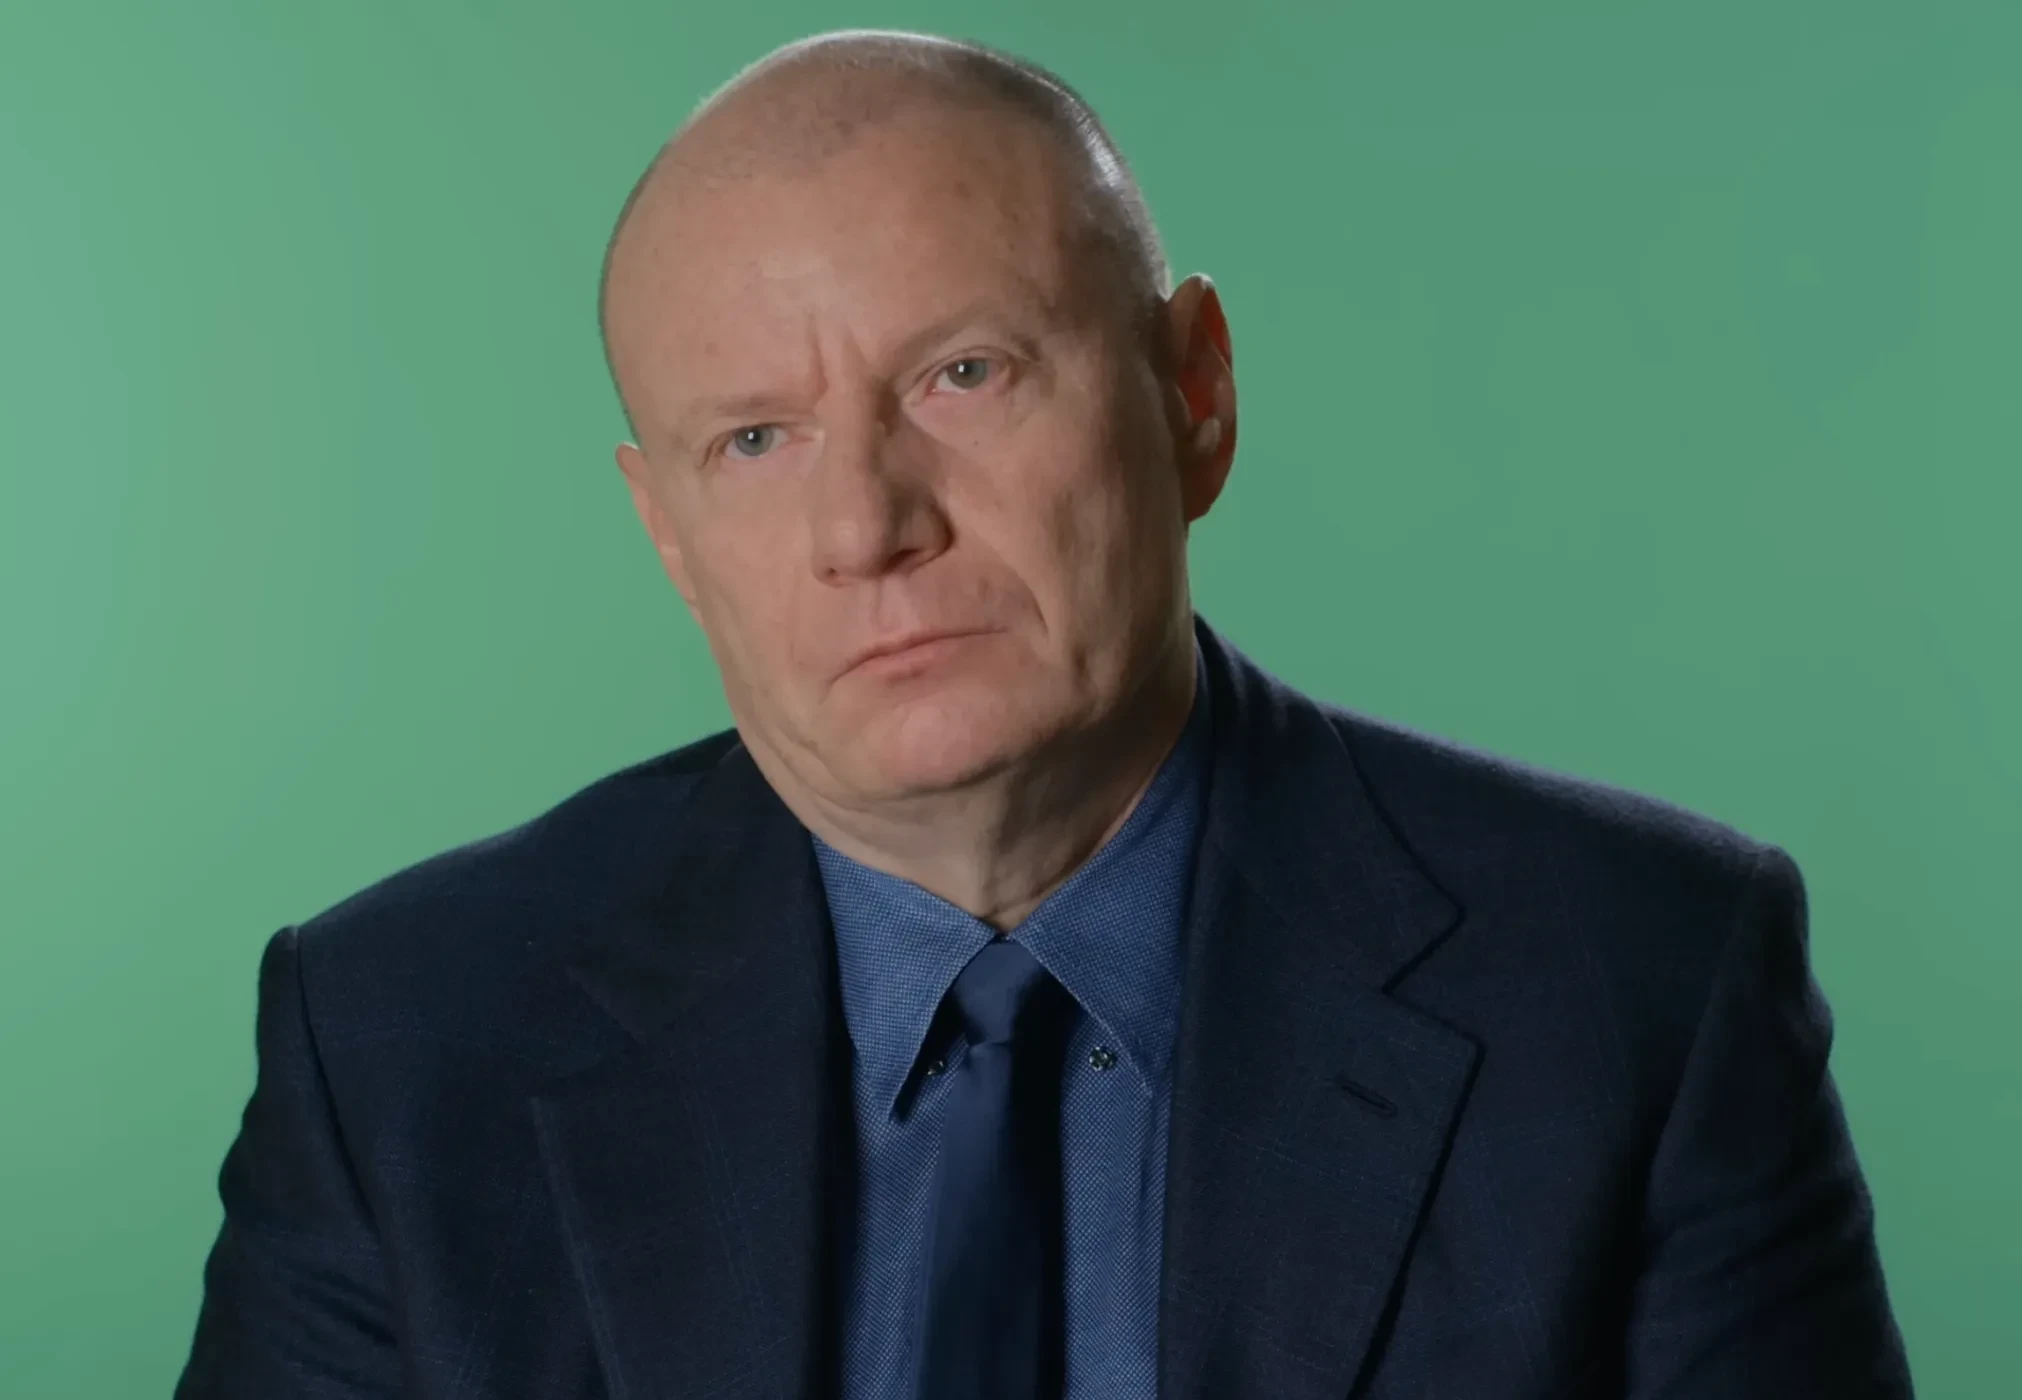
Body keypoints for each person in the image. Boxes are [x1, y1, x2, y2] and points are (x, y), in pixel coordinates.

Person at [175, 27, 1914, 1400]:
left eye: (963, 374)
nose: (867, 526)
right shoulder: (400, 1041)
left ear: (1193, 394)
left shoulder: (1640, 985)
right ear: (668, 536)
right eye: (755, 440)